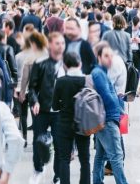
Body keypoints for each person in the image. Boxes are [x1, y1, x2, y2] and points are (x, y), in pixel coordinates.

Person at [28, 32, 66, 184]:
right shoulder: (41, 62)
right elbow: (32, 88)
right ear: (50, 45)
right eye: (57, 43)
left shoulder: (68, 62)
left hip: (60, 112)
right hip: (42, 110)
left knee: (59, 144)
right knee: (38, 141)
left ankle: (57, 175)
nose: (61, 46)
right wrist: (35, 101)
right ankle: (38, 169)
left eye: (62, 43)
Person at [92, 43, 128, 184]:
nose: (110, 59)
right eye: (106, 56)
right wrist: (118, 107)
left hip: (105, 118)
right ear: (99, 57)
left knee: (101, 155)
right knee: (116, 156)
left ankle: (97, 181)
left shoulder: (101, 72)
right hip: (107, 119)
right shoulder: (98, 74)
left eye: (111, 56)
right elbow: (107, 96)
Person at [52, 52, 90, 184]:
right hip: (83, 123)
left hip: (65, 123)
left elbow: (55, 105)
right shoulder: (86, 80)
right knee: (85, 159)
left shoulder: (60, 82)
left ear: (65, 65)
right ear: (80, 64)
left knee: (64, 158)